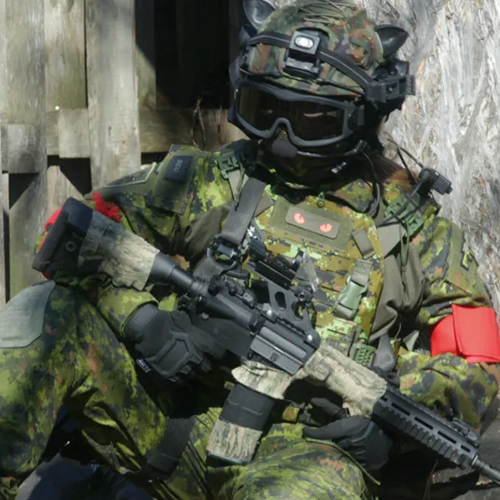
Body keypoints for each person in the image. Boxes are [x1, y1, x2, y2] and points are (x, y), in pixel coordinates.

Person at [1, 1, 500, 499]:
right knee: (40, 314)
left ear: (362, 115)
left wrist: (387, 421)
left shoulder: (409, 226)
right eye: (267, 108)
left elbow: (478, 365)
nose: (282, 133)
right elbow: (70, 233)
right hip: (174, 424)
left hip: (307, 456)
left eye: (311, 117)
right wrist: (142, 319)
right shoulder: (213, 179)